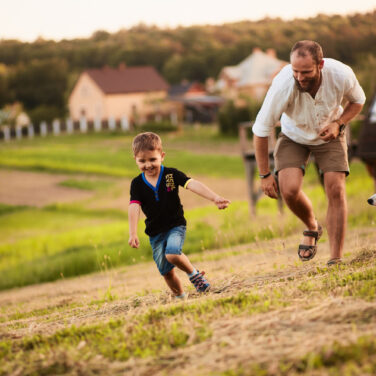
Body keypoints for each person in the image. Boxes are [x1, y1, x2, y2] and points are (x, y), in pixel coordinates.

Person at [252, 40, 366, 265]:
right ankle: (312, 226)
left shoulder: (341, 74)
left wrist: (339, 123)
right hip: (294, 136)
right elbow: (261, 130)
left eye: (306, 72)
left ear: (320, 65)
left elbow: (358, 101)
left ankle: (335, 258)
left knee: (335, 189)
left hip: (331, 133)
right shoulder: (283, 85)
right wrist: (264, 175)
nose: (300, 77)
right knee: (289, 189)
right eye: (295, 71)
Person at [128, 132, 230, 298]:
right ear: (135, 160)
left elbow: (192, 184)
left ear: (162, 156)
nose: (148, 165)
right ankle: (181, 298)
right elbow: (134, 207)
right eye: (142, 161)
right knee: (166, 273)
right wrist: (133, 233)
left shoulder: (170, 175)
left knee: (173, 253)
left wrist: (215, 197)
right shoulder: (137, 184)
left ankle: (194, 275)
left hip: (175, 226)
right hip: (155, 233)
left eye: (152, 159)